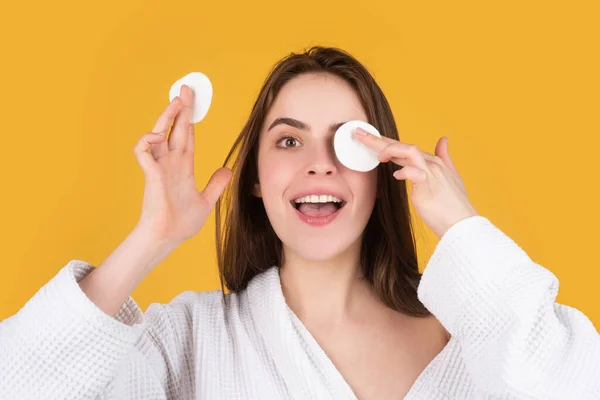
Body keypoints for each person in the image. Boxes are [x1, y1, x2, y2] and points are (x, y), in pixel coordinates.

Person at [0, 46, 598, 400]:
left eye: (348, 141)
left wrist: (463, 229)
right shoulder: (189, 342)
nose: (319, 164)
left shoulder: (476, 336)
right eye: (288, 140)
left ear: (383, 165)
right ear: (257, 179)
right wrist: (149, 239)